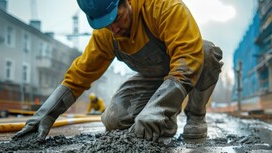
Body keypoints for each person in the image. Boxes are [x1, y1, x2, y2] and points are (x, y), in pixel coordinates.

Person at [12, 0, 223, 142]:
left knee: (206, 52)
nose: (114, 28)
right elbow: (80, 74)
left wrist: (159, 107)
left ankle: (195, 116)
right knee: (113, 120)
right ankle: (165, 125)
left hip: (184, 71)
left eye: (115, 18)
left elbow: (187, 57)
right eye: (105, 24)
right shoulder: (107, 34)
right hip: (151, 78)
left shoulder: (162, 7)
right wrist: (46, 113)